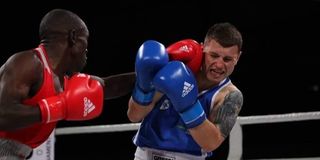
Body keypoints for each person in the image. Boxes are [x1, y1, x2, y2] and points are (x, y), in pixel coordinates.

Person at [0, 9, 135, 159]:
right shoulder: (29, 63)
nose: (87, 50)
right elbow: (3, 115)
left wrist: (149, 73)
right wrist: (58, 107)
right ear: (73, 37)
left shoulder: (64, 80)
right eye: (85, 40)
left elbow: (108, 86)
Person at [127, 22, 243, 160]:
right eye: (213, 55)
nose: (219, 65)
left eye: (227, 59)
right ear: (202, 48)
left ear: (238, 58)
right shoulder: (173, 70)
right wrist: (144, 85)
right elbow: (134, 115)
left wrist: (187, 103)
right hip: (144, 155)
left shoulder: (230, 95)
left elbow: (211, 143)